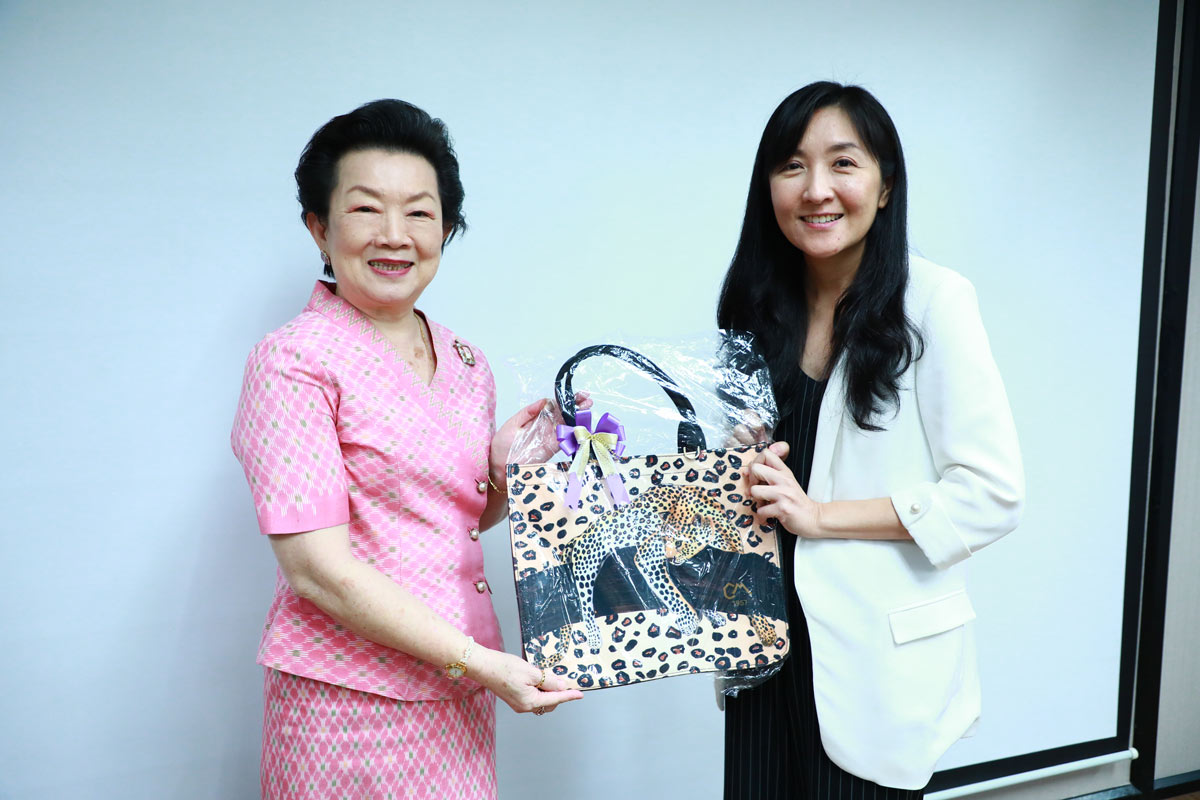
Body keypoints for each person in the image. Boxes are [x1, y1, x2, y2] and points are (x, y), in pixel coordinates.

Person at [230, 99, 582, 800]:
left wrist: (503, 475)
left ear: (445, 229)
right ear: (319, 226)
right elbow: (317, 571)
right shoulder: (293, 361)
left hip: (459, 690)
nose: (394, 235)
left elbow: (449, 520)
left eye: (419, 212)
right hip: (348, 703)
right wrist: (482, 664)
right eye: (366, 209)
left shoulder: (466, 360)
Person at [717, 82, 1024, 798]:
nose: (816, 189)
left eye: (843, 163)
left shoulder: (936, 302)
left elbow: (992, 496)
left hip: (874, 664)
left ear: (885, 187)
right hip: (761, 644)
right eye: (792, 166)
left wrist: (819, 517)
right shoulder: (755, 307)